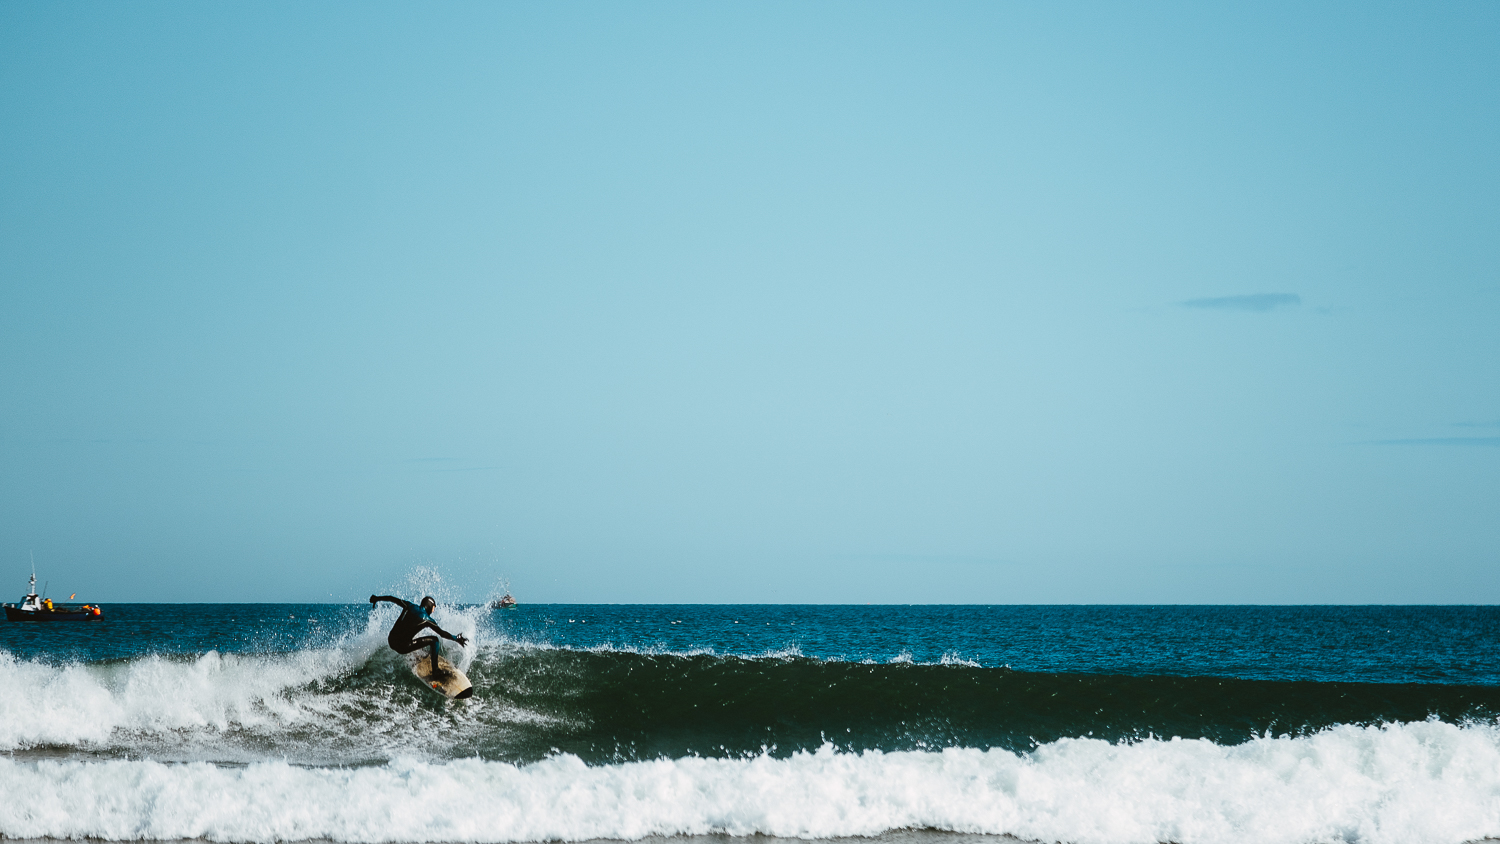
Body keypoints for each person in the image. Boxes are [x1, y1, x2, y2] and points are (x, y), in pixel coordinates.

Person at [369, 594, 468, 674]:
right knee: (435, 640)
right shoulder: (427, 619)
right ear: (429, 606)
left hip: (391, 640)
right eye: (433, 608)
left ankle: (416, 656)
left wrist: (377, 598)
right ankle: (435, 670)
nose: (433, 611)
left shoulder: (409, 605)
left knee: (409, 636)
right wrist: (456, 638)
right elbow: (442, 633)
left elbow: (392, 598)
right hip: (402, 648)